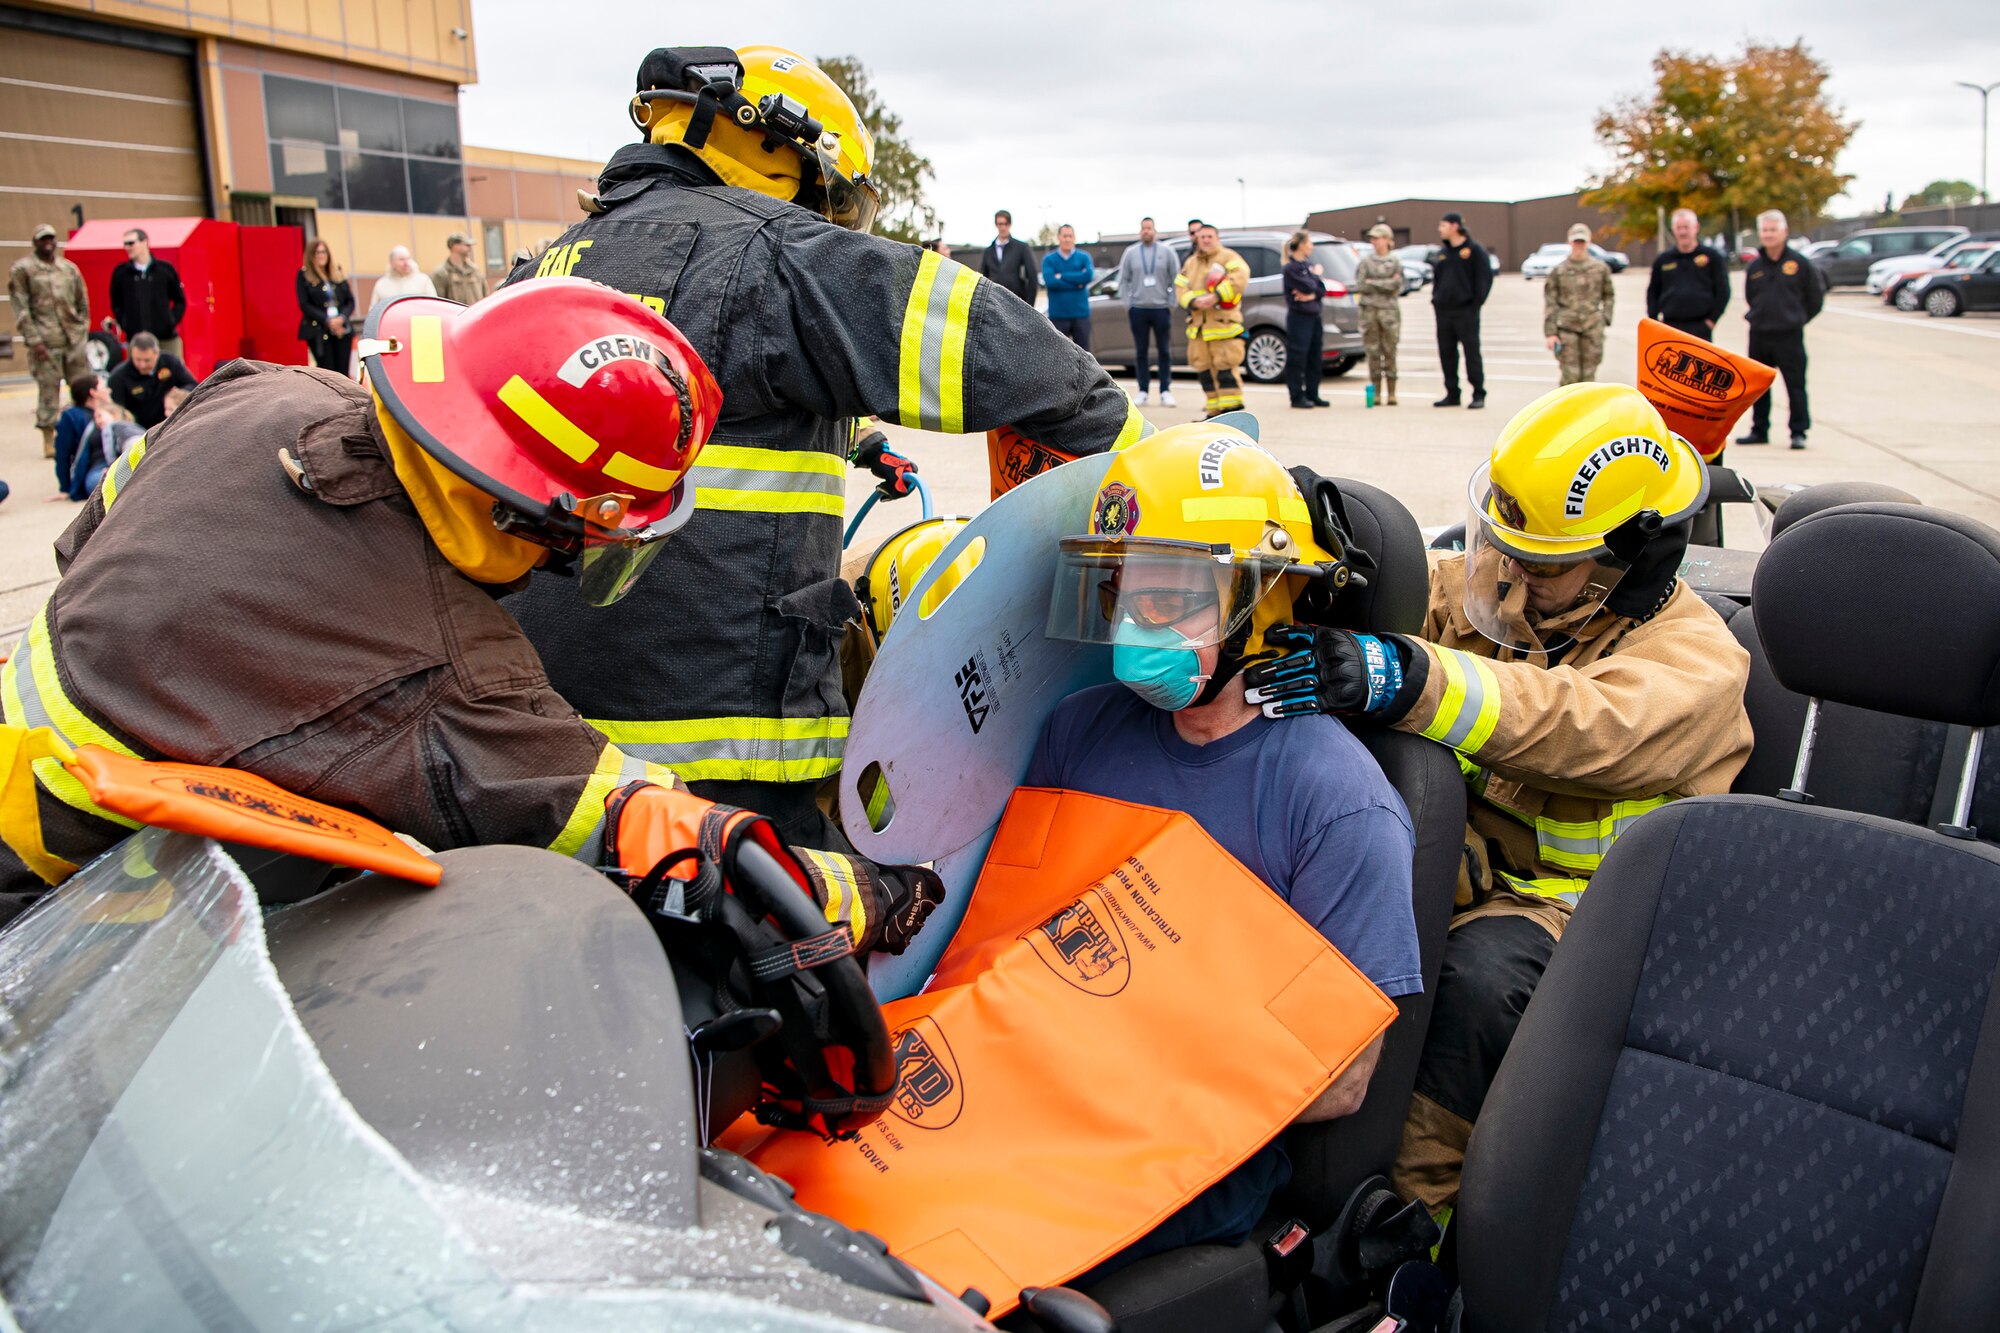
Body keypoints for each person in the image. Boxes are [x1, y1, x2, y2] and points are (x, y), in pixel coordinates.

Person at [0, 278, 944, 960]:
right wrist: (872, 893)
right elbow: (657, 834)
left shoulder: (258, 390)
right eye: (577, 538)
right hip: (79, 913)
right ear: (522, 514)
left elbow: (85, 540)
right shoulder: (455, 679)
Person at [497, 46, 1147, 849]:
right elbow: (1007, 355)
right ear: (776, 149)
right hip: (725, 758)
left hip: (549, 747)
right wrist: (1146, 460)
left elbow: (697, 400)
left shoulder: (538, 274)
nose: (827, 215)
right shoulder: (776, 255)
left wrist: (863, 441)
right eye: (829, 190)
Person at [1242, 382, 1753, 1218]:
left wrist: (1405, 676)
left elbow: (1576, 721)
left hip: (1589, 912)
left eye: (1543, 563)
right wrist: (1311, 538)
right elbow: (1416, 583)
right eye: (1507, 549)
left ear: (1634, 562)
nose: (1510, 574)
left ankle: (1411, 1232)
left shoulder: (1696, 663)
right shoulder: (1522, 589)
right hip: (1474, 875)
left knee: (1475, 990)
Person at [1035, 423, 1421, 1267]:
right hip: (1037, 1096)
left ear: (1266, 599)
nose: (1137, 622)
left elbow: (1342, 1076)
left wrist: (1134, 1084)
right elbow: (1011, 931)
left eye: (1169, 597)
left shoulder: (1339, 802)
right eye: (1122, 592)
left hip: (1190, 1156)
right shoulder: (1077, 732)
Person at [1736, 209, 1824, 450]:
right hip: (1760, 334)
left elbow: (1815, 299)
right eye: (1765, 230)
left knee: (1795, 385)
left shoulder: (1800, 264)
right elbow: (1750, 296)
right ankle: (1759, 430)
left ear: (1784, 232)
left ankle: (1798, 432)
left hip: (1789, 336)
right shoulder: (1754, 266)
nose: (1769, 234)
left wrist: (1796, 319)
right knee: (1758, 387)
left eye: (1773, 230)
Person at [8, 224, 90, 459]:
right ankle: (49, 437)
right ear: (35, 242)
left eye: (51, 238)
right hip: (45, 340)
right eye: (43, 239)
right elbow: (21, 309)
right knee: (48, 390)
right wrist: (34, 341)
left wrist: (81, 330)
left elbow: (82, 301)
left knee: (81, 388)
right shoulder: (23, 270)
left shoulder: (68, 269)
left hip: (73, 338)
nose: (48, 242)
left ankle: (83, 434)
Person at [1175, 223, 1251, 418]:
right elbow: (1180, 288)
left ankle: (1232, 413)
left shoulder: (1228, 257)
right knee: (1205, 372)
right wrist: (1192, 302)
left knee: (1225, 368)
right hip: (1199, 328)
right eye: (1202, 237)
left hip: (1222, 325)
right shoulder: (1191, 263)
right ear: (1197, 240)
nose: (1206, 240)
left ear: (1217, 238)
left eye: (1210, 236)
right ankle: (1214, 413)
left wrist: (1216, 296)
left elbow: (1240, 276)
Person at [1431, 211, 1492, 409]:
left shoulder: (1474, 251)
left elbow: (1484, 280)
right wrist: (1436, 300)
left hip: (1466, 312)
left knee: (1471, 353)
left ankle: (1478, 393)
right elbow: (1438, 280)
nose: (1440, 230)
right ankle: (1452, 393)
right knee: (1447, 354)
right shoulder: (1443, 253)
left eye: (1443, 226)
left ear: (1454, 226)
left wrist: (1475, 305)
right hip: (1444, 312)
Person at [1543, 223, 1615, 385]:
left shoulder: (1600, 269)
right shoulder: (1559, 271)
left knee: (1589, 377)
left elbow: (1609, 295)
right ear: (1569, 242)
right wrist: (1551, 333)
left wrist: (1605, 318)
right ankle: (1568, 410)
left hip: (1592, 327)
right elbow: (1550, 303)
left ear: (1588, 242)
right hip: (1567, 329)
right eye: (1576, 242)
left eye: (1582, 242)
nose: (1579, 246)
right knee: (1570, 376)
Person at [1116, 216, 1176, 407]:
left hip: (1161, 309)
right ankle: (1143, 390)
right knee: (1141, 352)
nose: (1146, 232)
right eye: (1143, 229)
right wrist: (1129, 304)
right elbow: (1123, 280)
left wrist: (1171, 304)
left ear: (1155, 230)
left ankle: (1165, 390)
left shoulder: (1167, 252)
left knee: (1164, 351)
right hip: (1139, 309)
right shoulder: (1131, 253)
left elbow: (1176, 278)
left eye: (1149, 228)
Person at [54, 372, 142, 500]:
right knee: (103, 481)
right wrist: (65, 488)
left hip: (121, 459)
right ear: (93, 392)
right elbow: (62, 453)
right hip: (97, 467)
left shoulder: (112, 409)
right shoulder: (72, 416)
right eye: (103, 387)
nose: (108, 390)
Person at [1645, 207, 1729, 339]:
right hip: (1670, 326)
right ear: (1673, 230)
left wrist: (1712, 321)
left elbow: (1723, 291)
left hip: (1701, 327)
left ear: (1696, 227)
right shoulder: (1663, 260)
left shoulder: (1711, 257)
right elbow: (1653, 292)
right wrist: (1655, 321)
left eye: (1686, 227)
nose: (1683, 232)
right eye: (1679, 228)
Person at [108, 228, 188, 360]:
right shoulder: (121, 273)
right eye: (125, 244)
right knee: (138, 378)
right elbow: (116, 304)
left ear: (144, 242)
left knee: (172, 376)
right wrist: (126, 325)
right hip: (136, 341)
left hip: (166, 340)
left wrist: (169, 322)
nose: (127, 247)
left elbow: (180, 300)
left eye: (131, 243)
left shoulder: (165, 269)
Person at [1355, 223, 1405, 405]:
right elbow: (1361, 285)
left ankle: (1392, 393)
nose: (1373, 241)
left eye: (1377, 238)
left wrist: (1374, 282)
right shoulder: (1366, 262)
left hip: (1390, 314)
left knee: (1390, 351)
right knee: (1373, 353)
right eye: (1372, 238)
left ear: (1387, 239)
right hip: (1370, 314)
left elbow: (1397, 286)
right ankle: (1376, 392)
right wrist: (1385, 283)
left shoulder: (1395, 261)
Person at [106, 333, 197, 430]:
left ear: (157, 353)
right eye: (138, 360)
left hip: (170, 426)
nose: (142, 365)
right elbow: (116, 410)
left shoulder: (170, 362)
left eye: (147, 360)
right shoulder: (119, 376)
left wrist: (177, 394)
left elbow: (192, 386)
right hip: (139, 430)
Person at [1281, 230, 1328, 409]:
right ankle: (1296, 396)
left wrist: (1312, 295)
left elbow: (1321, 290)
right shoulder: (1291, 268)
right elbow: (1308, 285)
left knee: (1315, 357)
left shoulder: (1308, 265)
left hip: (1314, 316)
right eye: (1309, 243)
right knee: (1298, 357)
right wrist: (1315, 278)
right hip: (1299, 318)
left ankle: (1312, 393)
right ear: (1301, 244)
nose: (1311, 246)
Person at [296, 238, 356, 375]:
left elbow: (350, 301)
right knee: (328, 372)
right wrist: (328, 321)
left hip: (341, 329)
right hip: (319, 329)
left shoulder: (338, 272)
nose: (321, 256)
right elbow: (304, 304)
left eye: (324, 252)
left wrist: (341, 318)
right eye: (317, 253)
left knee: (343, 372)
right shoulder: (304, 275)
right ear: (311, 256)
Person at [1042, 224, 1093, 349]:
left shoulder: (1084, 257)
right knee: (1058, 356)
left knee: (1084, 356)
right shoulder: (1049, 259)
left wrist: (1062, 276)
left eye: (1070, 236)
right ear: (1059, 237)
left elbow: (1088, 276)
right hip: (1058, 316)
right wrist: (1077, 282)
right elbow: (1050, 281)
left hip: (1080, 315)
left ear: (1074, 238)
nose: (1067, 239)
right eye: (1065, 236)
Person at [979, 209, 1038, 305]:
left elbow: (1032, 276)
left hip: (1016, 301)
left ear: (1009, 224)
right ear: (996, 225)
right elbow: (984, 278)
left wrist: (1029, 305)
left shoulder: (1021, 248)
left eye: (1005, 224)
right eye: (1000, 224)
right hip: (994, 303)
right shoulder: (988, 251)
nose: (1003, 227)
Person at [369, 245, 437, 311]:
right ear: (392, 263)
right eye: (401, 259)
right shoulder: (381, 284)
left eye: (408, 258)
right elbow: (373, 312)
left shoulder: (423, 280)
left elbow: (434, 305)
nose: (406, 263)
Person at [430, 230, 488, 305]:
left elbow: (486, 295)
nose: (470, 248)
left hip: (476, 315)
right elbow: (439, 302)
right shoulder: (441, 273)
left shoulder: (475, 271)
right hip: (455, 315)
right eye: (466, 245)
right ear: (455, 246)